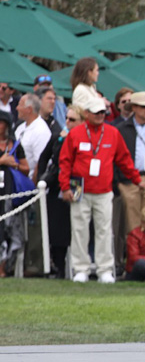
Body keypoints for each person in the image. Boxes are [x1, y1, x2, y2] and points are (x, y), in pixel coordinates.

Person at [59, 97, 145, 284]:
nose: (101, 115)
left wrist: (137, 180)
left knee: (104, 230)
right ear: (87, 114)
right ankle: (80, 268)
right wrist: (65, 186)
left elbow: (124, 160)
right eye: (97, 112)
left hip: (104, 190)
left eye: (103, 112)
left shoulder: (113, 133)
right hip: (79, 189)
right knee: (79, 230)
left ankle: (104, 269)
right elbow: (65, 161)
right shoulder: (76, 133)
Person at [35, 104, 84, 278]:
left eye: (73, 120)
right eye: (67, 119)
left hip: (78, 185)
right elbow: (45, 158)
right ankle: (59, 266)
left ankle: (78, 267)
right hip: (57, 186)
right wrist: (42, 178)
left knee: (76, 227)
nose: (68, 123)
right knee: (57, 227)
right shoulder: (58, 137)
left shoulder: (85, 139)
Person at [115, 91, 145, 234]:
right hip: (129, 180)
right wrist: (119, 180)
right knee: (132, 219)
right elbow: (117, 156)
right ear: (134, 108)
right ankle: (133, 254)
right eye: (144, 107)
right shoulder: (122, 129)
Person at [0, 110, 29, 279]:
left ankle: (5, 266)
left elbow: (26, 168)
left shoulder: (15, 145)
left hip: (10, 192)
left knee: (9, 229)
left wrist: (15, 165)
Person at [14, 93, 51, 180]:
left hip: (28, 184)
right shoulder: (20, 127)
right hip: (15, 179)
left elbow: (41, 162)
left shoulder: (41, 131)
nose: (17, 108)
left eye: (20, 104)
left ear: (29, 109)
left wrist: (33, 186)